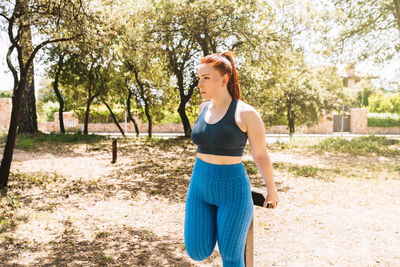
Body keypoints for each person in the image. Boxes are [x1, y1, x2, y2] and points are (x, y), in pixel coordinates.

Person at [184, 51, 279, 266]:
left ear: (224, 80)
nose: (200, 84)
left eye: (206, 78)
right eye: (199, 78)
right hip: (199, 186)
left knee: (231, 257)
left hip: (233, 192)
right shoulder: (202, 109)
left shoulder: (246, 113)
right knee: (196, 250)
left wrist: (272, 189)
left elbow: (260, 155)